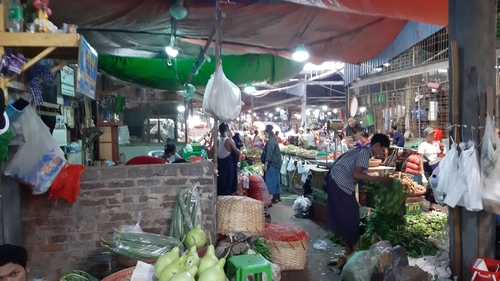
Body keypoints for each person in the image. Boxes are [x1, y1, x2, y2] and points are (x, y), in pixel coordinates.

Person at [326, 134, 393, 257]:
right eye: (382, 150)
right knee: (351, 214)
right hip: (341, 182)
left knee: (349, 213)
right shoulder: (364, 153)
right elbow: (356, 175)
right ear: (377, 145)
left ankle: (349, 248)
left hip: (336, 179)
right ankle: (351, 249)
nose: (381, 153)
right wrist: (380, 179)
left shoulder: (361, 150)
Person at [418, 127, 442, 211]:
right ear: (426, 136)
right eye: (431, 134)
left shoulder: (436, 144)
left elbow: (439, 156)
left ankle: (432, 205)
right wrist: (422, 170)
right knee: (429, 185)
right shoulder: (423, 145)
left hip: (435, 167)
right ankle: (422, 197)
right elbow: (420, 157)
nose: (433, 135)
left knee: (434, 185)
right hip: (427, 166)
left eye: (433, 134)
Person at [217, 123, 241, 195]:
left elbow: (211, 153)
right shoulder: (230, 141)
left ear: (219, 130)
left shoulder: (217, 141)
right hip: (228, 167)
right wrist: (240, 150)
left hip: (220, 166)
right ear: (227, 130)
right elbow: (238, 153)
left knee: (221, 185)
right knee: (228, 186)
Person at [261, 125, 282, 203]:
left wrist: (266, 165)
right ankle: (277, 196)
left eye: (265, 132)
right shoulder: (274, 139)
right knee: (276, 180)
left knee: (271, 181)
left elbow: (269, 154)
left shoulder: (271, 141)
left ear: (267, 132)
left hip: (272, 164)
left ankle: (274, 198)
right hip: (276, 163)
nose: (264, 134)